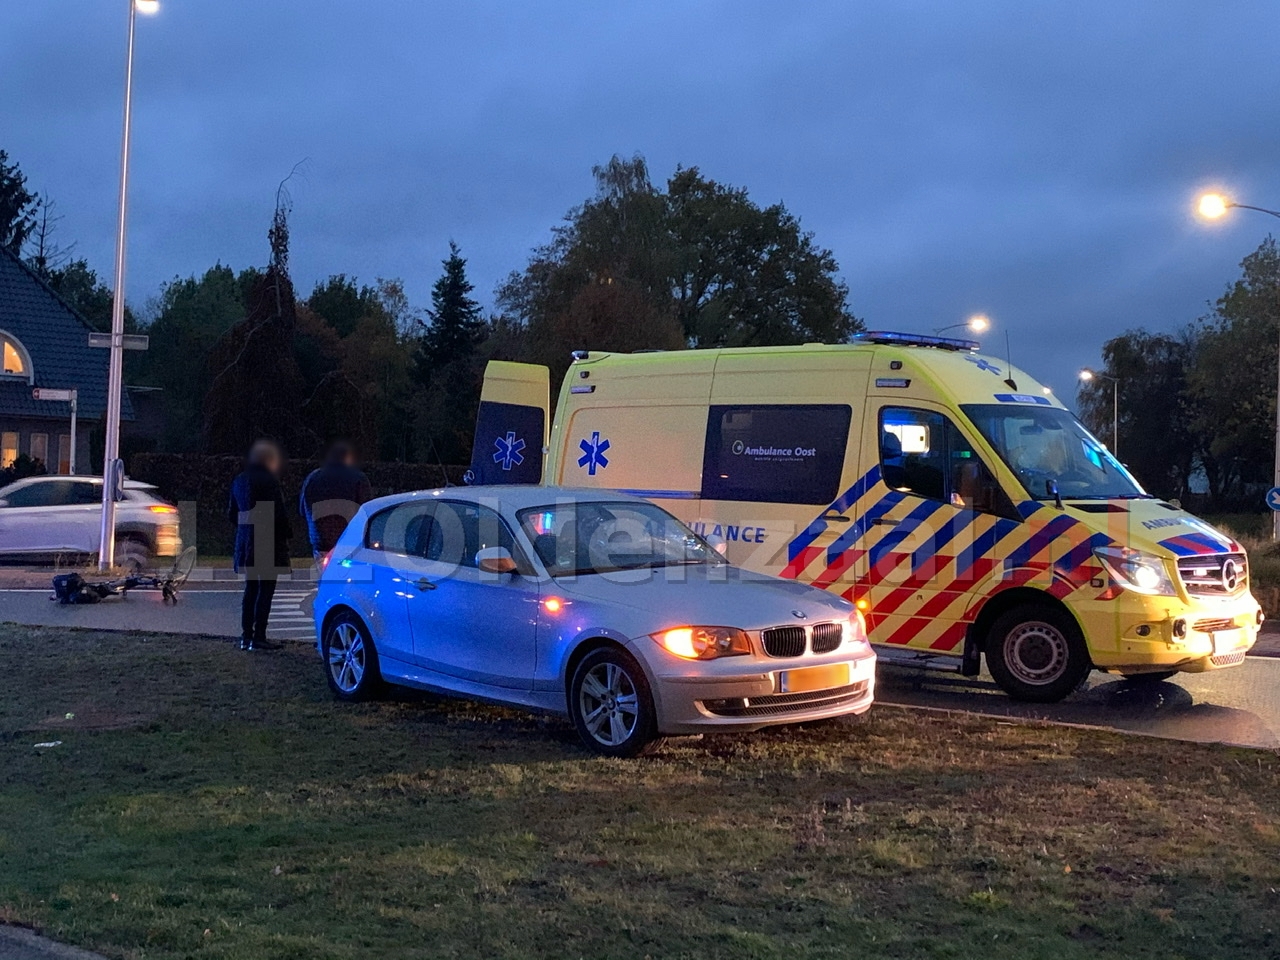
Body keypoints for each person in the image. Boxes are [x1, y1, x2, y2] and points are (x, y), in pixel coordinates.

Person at [226, 439, 291, 652]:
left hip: (246, 541)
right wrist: (287, 535)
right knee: (266, 590)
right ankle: (260, 636)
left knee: (251, 588)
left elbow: (232, 514)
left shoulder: (239, 480)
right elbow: (279, 513)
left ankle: (246, 636)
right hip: (267, 540)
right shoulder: (269, 481)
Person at [299, 441, 372, 561]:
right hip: (350, 541)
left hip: (321, 541)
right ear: (348, 457)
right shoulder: (358, 478)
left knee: (325, 575)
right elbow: (367, 509)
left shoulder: (313, 478)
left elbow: (303, 509)